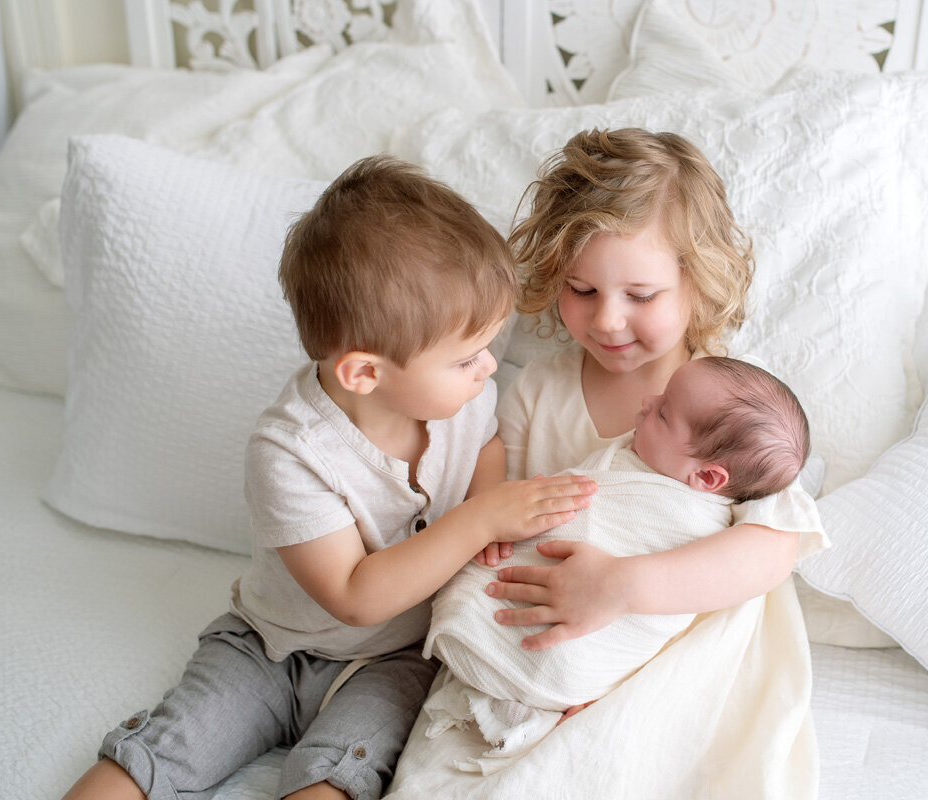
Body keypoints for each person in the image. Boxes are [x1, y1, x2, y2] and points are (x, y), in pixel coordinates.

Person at [62, 156, 597, 800]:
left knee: (338, 775)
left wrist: (486, 512)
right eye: (464, 357)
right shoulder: (290, 452)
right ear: (364, 374)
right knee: (161, 753)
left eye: (488, 347)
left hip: (394, 660)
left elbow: (485, 444)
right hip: (268, 650)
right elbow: (354, 594)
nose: (488, 367)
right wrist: (477, 520)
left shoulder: (462, 399)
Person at [422, 356, 812, 763]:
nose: (648, 401)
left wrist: (619, 585)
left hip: (567, 660)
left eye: (662, 412)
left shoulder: (703, 519)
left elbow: (766, 553)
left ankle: (527, 689)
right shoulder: (551, 393)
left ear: (709, 479)